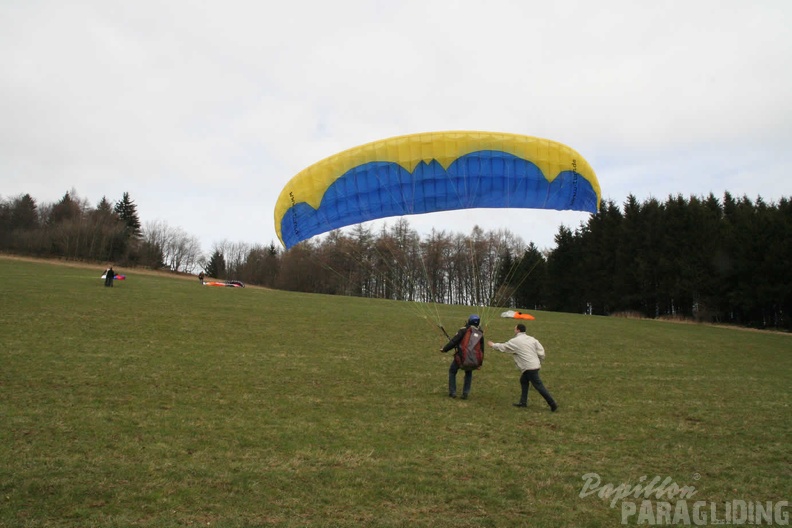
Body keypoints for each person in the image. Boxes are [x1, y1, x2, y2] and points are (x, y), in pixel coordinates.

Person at [488, 323, 558, 411]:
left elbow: (504, 347)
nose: (514, 330)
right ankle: (523, 402)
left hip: (529, 367)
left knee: (539, 386)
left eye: (515, 329)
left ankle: (552, 404)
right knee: (523, 380)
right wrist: (539, 361)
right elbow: (541, 351)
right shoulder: (532, 339)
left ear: (518, 330)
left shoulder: (515, 341)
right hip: (534, 365)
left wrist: (493, 345)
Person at [440, 314, 484, 400]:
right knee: (468, 372)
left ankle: (452, 392)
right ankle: (465, 393)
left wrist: (445, 349)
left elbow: (454, 342)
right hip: (473, 359)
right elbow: (481, 349)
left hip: (461, 357)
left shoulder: (463, 330)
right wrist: (480, 363)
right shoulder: (480, 332)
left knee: (452, 371)